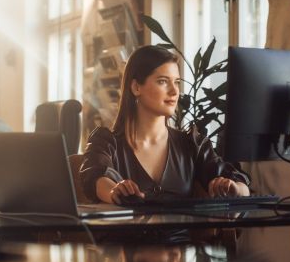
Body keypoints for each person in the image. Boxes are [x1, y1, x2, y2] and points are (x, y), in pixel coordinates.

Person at [80, 45, 250, 204]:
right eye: (163, 81)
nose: (174, 91)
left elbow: (241, 185)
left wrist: (235, 189)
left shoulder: (192, 144)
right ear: (136, 87)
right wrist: (114, 191)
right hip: (123, 235)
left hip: (182, 237)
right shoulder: (106, 142)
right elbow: (95, 177)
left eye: (176, 82)